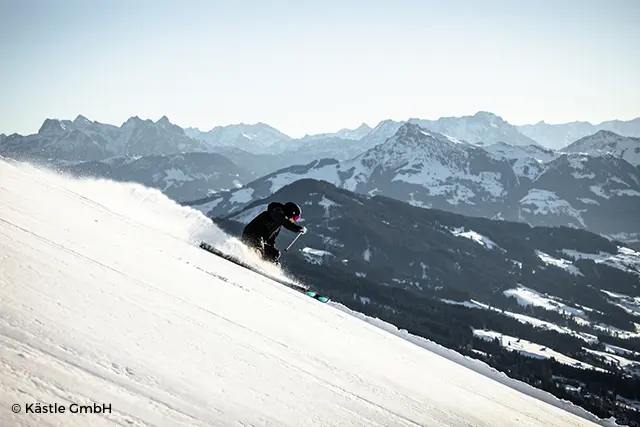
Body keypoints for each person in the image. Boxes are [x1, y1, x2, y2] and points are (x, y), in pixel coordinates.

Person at [241, 201, 307, 265]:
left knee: (275, 253)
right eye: (296, 217)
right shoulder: (276, 212)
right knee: (259, 247)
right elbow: (284, 221)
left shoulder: (278, 224)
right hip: (252, 234)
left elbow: (271, 241)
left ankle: (268, 266)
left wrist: (273, 255)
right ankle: (251, 258)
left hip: (259, 239)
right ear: (291, 213)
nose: (294, 220)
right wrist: (297, 228)